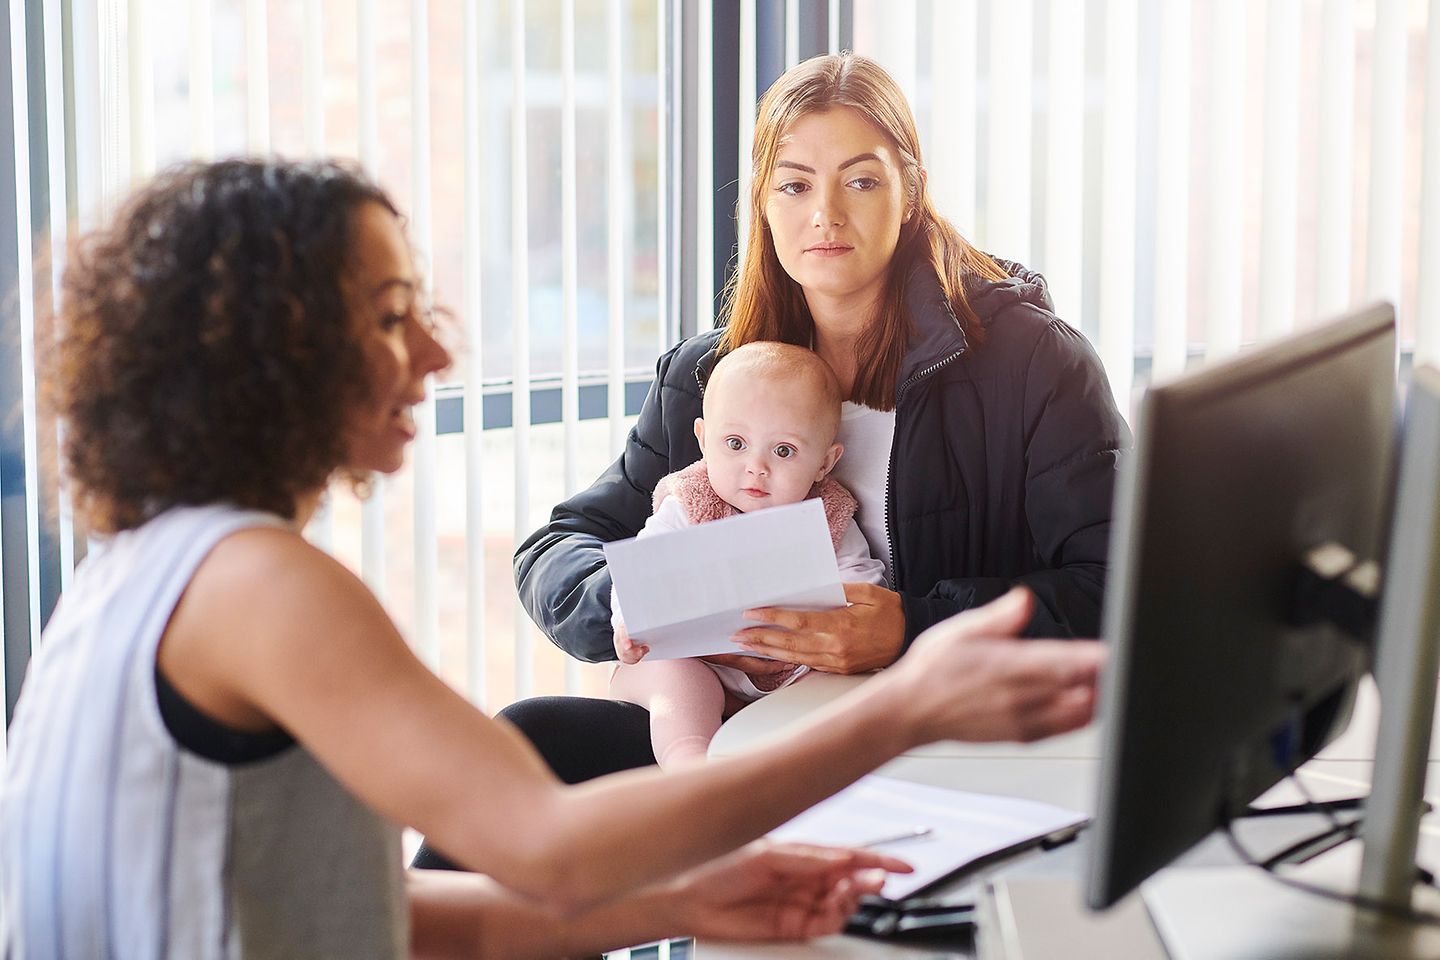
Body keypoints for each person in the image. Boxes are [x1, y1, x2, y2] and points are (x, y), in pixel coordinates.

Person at [0, 158, 1105, 958]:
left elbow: (379, 921)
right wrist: (908, 706)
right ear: (269, 358)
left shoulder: (148, 570)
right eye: (392, 317)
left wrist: (685, 906)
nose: (439, 350)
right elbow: (555, 849)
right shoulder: (257, 587)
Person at [505, 52, 1131, 781]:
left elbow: (1117, 587)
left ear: (910, 194)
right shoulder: (711, 378)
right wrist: (628, 602)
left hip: (931, 741)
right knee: (525, 741)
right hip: (732, 735)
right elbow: (558, 547)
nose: (824, 215)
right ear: (764, 204)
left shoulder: (1033, 366)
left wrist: (910, 626)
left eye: (860, 181)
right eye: (795, 185)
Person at [609, 341, 885, 768]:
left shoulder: (828, 517)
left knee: (845, 686)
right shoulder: (688, 502)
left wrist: (848, 619)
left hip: (797, 668)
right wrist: (628, 624)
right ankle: (690, 760)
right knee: (675, 678)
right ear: (703, 440)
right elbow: (640, 574)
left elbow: (862, 585)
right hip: (700, 660)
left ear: (824, 464)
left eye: (784, 451)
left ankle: (805, 767)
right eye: (735, 443)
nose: (757, 467)